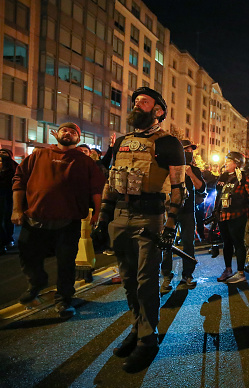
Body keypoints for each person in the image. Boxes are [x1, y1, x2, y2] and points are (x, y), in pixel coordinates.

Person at [93, 87, 186, 373]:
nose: (137, 104)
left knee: (147, 281)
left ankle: (148, 340)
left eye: (144, 102)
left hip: (150, 218)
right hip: (121, 215)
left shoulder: (169, 143)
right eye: (135, 101)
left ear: (158, 110)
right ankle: (138, 327)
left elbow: (178, 188)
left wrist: (171, 225)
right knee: (128, 279)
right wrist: (102, 220)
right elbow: (110, 181)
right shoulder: (121, 141)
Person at [12, 122, 105, 317]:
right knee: (28, 255)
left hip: (68, 221)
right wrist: (17, 209)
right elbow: (19, 180)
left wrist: (98, 212)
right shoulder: (38, 155)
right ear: (57, 134)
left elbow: (96, 189)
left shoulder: (85, 161)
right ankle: (36, 282)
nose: (68, 133)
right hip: (35, 218)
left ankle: (64, 300)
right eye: (65, 130)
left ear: (78, 139)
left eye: (73, 132)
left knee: (66, 263)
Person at [160, 140, 206, 293]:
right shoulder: (169, 168)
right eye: (186, 150)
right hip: (170, 211)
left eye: (191, 150)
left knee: (188, 244)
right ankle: (166, 276)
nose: (189, 153)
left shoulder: (194, 170)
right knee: (167, 244)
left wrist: (191, 173)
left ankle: (187, 275)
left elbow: (200, 188)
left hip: (188, 212)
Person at [215, 152, 249, 284]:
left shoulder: (244, 177)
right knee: (226, 243)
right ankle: (228, 270)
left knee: (238, 242)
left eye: (229, 161)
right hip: (223, 215)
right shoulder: (223, 176)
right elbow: (218, 194)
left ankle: (240, 272)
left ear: (236, 163)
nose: (226, 163)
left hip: (238, 214)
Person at [0, 150, 17, 254]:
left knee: (7, 218)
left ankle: (8, 239)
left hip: (8, 197)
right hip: (4, 196)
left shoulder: (13, 168)